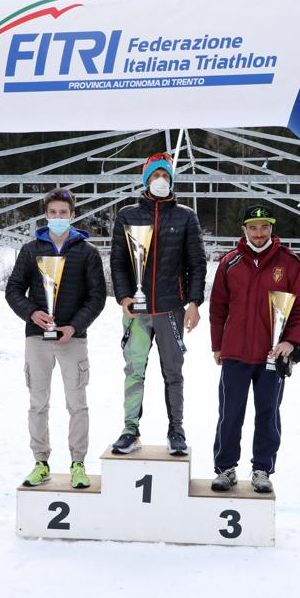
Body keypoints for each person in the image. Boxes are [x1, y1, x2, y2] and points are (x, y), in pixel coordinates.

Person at [5, 188, 106, 489]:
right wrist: (32, 313)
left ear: (73, 215)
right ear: (45, 215)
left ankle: (78, 462)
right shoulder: (30, 249)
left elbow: (97, 296)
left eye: (64, 212)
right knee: (38, 403)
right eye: (53, 213)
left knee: (77, 403)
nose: (58, 217)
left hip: (73, 340)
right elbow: (13, 290)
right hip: (37, 339)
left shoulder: (87, 252)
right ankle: (40, 462)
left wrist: (74, 326)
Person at [208, 206, 300, 494]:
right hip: (235, 354)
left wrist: (290, 341)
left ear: (271, 228)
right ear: (244, 229)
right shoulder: (229, 263)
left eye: (264, 227)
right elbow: (218, 308)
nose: (259, 233)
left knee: (268, 412)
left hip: (272, 356)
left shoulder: (289, 263)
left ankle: (262, 469)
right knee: (230, 413)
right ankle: (225, 468)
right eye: (253, 227)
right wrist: (217, 344)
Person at [109, 152, 206, 456]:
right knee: (134, 370)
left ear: (171, 180)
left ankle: (176, 430)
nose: (160, 181)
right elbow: (118, 261)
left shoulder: (185, 216)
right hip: (136, 312)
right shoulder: (128, 215)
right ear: (145, 180)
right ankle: (130, 429)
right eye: (154, 176)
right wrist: (124, 295)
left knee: (173, 372)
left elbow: (197, 263)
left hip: (171, 309)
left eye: (165, 175)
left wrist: (193, 301)